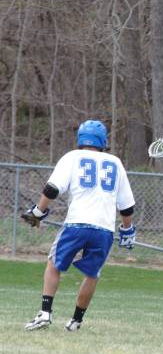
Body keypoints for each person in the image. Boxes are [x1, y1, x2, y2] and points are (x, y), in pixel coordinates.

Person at [22, 120, 136, 332]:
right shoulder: (115, 162)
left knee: (54, 264)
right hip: (104, 229)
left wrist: (38, 212)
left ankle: (45, 313)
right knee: (92, 274)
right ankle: (76, 321)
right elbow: (126, 206)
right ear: (103, 141)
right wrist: (128, 229)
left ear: (81, 139)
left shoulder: (72, 157)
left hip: (76, 224)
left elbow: (52, 189)